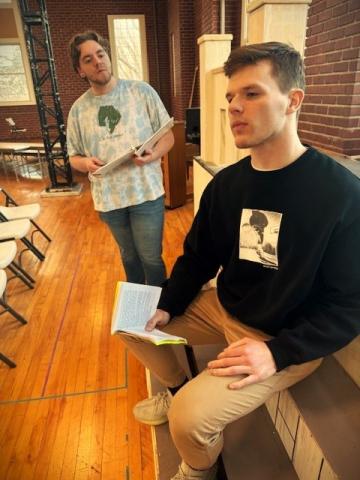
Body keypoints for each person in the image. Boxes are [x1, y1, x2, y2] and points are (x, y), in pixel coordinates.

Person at [119, 42, 360, 480]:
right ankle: (175, 388)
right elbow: (198, 257)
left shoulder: (341, 195)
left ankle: (199, 471)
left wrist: (278, 352)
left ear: (293, 100)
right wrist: (168, 304)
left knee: (189, 422)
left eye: (252, 94)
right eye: (230, 97)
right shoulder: (227, 184)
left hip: (283, 336)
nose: (233, 107)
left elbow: (350, 304)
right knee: (129, 319)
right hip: (224, 308)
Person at [67, 31, 174, 286]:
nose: (98, 62)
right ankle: (136, 310)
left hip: (146, 193)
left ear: (108, 56)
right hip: (109, 199)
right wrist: (85, 164)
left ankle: (160, 308)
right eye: (88, 59)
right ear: (80, 70)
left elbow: (168, 136)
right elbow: (73, 157)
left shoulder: (141, 92)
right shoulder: (78, 110)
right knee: (129, 257)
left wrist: (153, 155)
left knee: (150, 257)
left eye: (101, 54)